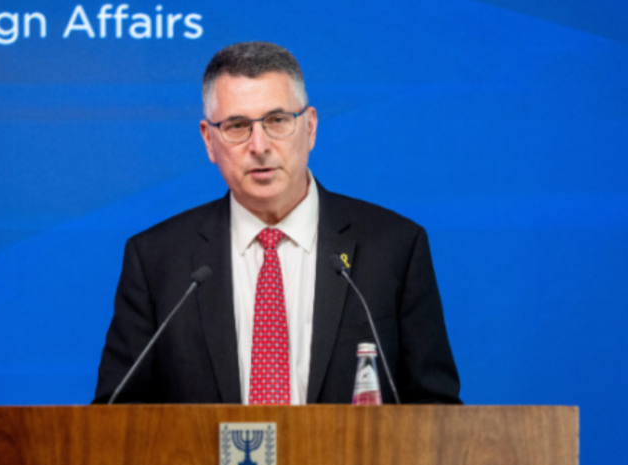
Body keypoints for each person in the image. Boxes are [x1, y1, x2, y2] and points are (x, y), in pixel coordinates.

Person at [94, 41, 460, 404]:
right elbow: (114, 419)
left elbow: (436, 410)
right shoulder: (157, 260)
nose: (259, 145)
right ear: (208, 139)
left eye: (277, 120)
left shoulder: (394, 246)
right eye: (237, 125)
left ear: (310, 127)